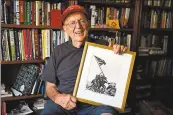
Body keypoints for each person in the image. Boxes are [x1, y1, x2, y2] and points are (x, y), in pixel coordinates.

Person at [41, 5, 127, 115]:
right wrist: (58, 97)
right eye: (72, 23)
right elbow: (50, 87)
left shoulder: (103, 46)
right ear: (65, 29)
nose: (78, 26)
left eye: (82, 21)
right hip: (63, 106)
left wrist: (121, 54)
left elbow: (117, 75)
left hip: (96, 106)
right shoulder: (58, 51)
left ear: (88, 24)